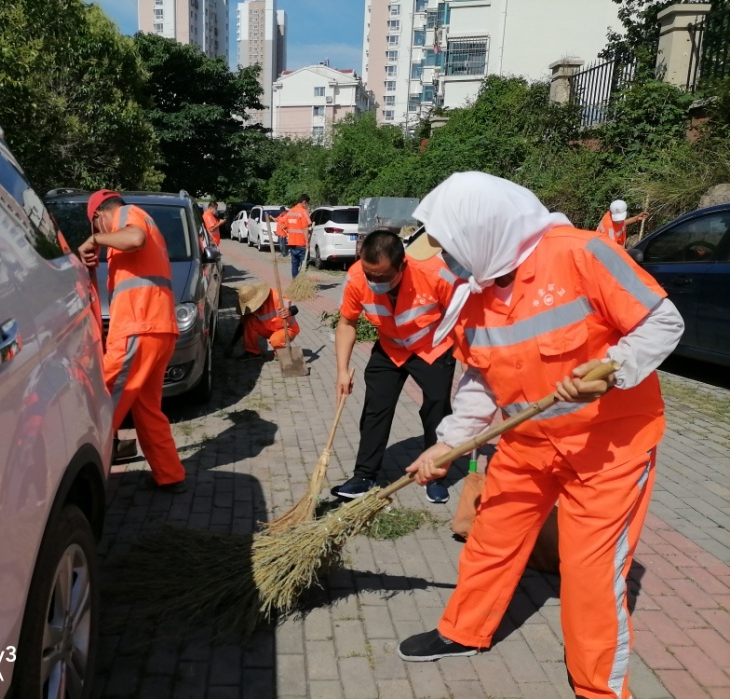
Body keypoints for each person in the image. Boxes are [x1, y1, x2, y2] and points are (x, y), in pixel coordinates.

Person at [398, 172, 684, 699]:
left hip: (608, 450)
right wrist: (446, 444)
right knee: (490, 541)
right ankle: (463, 632)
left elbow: (663, 322)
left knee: (590, 575)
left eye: (453, 248)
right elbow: (482, 380)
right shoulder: (477, 290)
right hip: (526, 444)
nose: (449, 262)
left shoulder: (581, 255)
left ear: (482, 231)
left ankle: (599, 689)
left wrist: (613, 369)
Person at [330, 229, 460, 504]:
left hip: (432, 348)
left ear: (403, 265)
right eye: (370, 274)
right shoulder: (356, 277)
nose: (374, 281)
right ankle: (364, 476)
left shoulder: (436, 274)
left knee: (436, 409)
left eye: (382, 276)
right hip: (390, 348)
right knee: (376, 409)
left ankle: (435, 475)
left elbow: (463, 316)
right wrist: (342, 370)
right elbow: (347, 323)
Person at [78, 190, 187, 493]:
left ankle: (78, 485)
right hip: (158, 330)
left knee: (99, 404)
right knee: (147, 410)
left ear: (98, 216)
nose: (97, 234)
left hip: (138, 330)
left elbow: (134, 238)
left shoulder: (128, 215)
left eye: (94, 227)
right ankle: (171, 475)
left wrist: (97, 240)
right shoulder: (145, 228)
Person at [226, 282, 300, 360]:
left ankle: (280, 351)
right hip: (268, 329)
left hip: (286, 329)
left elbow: (295, 308)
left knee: (275, 340)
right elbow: (242, 325)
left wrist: (289, 312)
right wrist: (232, 344)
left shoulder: (275, 296)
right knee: (248, 320)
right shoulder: (250, 309)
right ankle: (253, 352)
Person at [275, 194, 312, 278]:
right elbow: (305, 227)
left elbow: (285, 226)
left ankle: (295, 280)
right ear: (304, 202)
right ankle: (299, 280)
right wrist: (307, 242)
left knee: (294, 264)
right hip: (301, 242)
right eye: (307, 204)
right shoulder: (303, 212)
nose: (307, 206)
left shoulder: (290, 212)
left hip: (292, 242)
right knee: (305, 263)